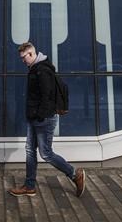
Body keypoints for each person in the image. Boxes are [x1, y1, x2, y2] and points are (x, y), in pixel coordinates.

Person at [8, 41, 86, 197]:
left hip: (43, 119)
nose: (23, 61)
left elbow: (47, 96)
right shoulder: (35, 68)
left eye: (24, 58)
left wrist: (39, 115)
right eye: (21, 58)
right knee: (30, 150)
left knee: (46, 153)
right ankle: (29, 186)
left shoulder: (42, 70)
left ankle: (74, 174)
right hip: (34, 117)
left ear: (31, 54)